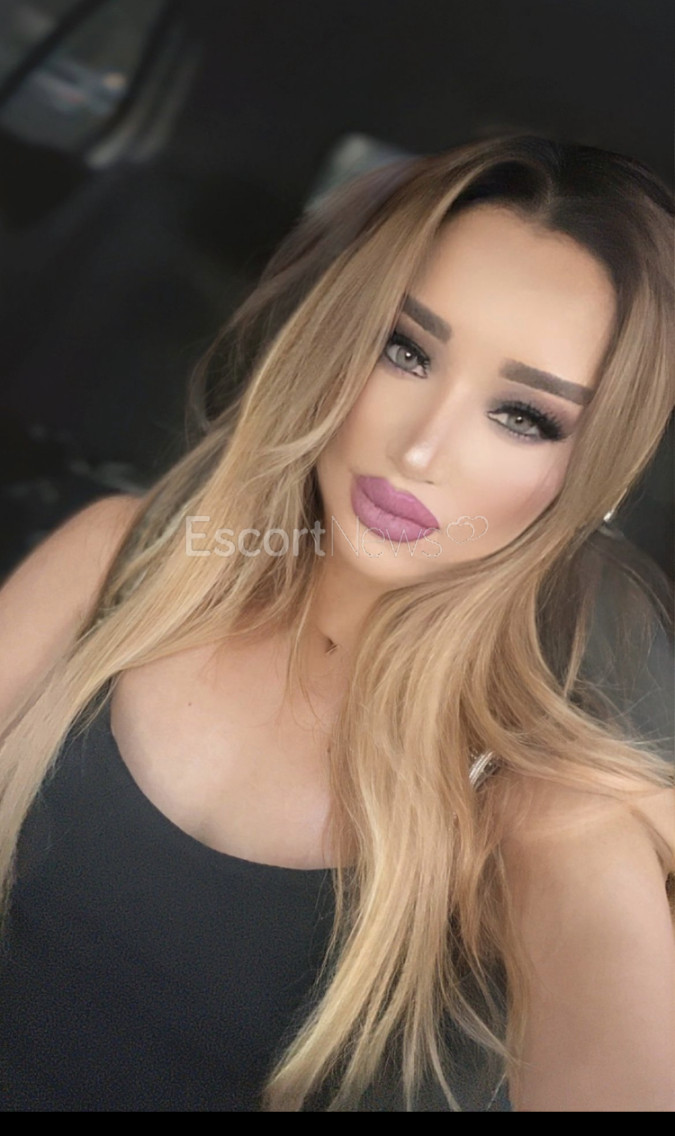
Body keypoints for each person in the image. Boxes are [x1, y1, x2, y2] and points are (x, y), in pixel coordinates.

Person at [0, 132, 673, 1112]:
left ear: (594, 477)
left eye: (523, 416)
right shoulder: (115, 563)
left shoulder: (544, 809)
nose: (422, 449)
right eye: (405, 350)